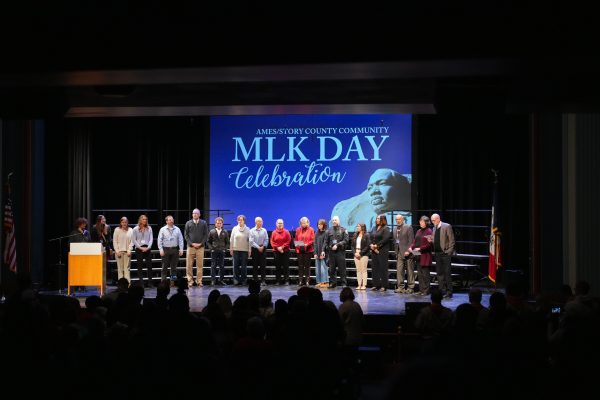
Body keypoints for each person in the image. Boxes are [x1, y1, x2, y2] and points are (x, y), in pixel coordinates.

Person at [331, 168, 411, 231]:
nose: (373, 192)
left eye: (382, 183)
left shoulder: (410, 220)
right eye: (370, 188)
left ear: (399, 187)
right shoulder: (370, 222)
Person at [430, 213, 455, 299]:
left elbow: (452, 240)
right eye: (432, 221)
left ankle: (449, 291)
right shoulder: (434, 228)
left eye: (433, 220)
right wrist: (431, 240)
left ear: (438, 219)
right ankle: (442, 290)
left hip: (445, 254)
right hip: (437, 253)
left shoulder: (446, 226)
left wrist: (449, 252)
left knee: (447, 273)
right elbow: (436, 240)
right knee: (439, 273)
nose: (432, 222)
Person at [184, 208, 209, 288]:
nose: (195, 214)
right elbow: (186, 235)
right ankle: (190, 281)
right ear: (192, 214)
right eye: (193, 213)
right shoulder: (188, 223)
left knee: (200, 265)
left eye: (196, 213)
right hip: (190, 247)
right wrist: (192, 244)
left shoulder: (203, 223)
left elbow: (206, 235)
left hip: (200, 247)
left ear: (199, 215)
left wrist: (201, 243)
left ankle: (199, 281)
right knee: (189, 265)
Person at [157, 215, 184, 287]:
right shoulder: (162, 229)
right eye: (169, 220)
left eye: (172, 219)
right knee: (164, 268)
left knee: (174, 268)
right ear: (166, 221)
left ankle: (173, 283)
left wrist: (181, 249)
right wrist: (160, 249)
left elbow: (181, 240)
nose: (171, 221)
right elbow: (159, 240)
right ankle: (163, 283)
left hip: (175, 250)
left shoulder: (177, 229)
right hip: (165, 249)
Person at [410, 215, 433, 296]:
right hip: (418, 255)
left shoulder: (429, 231)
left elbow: (429, 245)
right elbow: (414, 241)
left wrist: (420, 248)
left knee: (425, 274)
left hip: (425, 255)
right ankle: (421, 289)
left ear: (426, 223)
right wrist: (411, 247)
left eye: (422, 222)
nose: (421, 223)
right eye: (420, 221)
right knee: (419, 273)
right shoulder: (418, 231)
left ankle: (426, 290)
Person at [369, 214, 392, 292]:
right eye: (376, 218)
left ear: (382, 219)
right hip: (374, 251)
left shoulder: (386, 228)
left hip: (382, 251)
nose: (377, 220)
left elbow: (386, 238)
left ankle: (384, 285)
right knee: (375, 268)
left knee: (383, 268)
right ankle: (376, 285)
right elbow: (370, 237)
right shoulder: (374, 228)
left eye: (378, 218)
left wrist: (377, 246)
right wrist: (371, 245)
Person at [394, 214, 415, 294]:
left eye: (399, 219)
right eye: (396, 219)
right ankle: (401, 287)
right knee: (399, 271)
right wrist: (396, 251)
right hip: (399, 252)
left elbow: (411, 241)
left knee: (410, 270)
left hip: (407, 252)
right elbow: (395, 241)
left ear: (402, 219)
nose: (397, 221)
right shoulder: (395, 228)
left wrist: (408, 251)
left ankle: (410, 287)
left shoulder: (408, 227)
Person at [326, 215, 349, 288]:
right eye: (333, 220)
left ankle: (344, 283)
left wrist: (338, 245)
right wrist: (329, 247)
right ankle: (333, 283)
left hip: (340, 252)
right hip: (331, 253)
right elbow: (326, 242)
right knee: (331, 269)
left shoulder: (343, 230)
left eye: (335, 220)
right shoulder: (328, 230)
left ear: (339, 221)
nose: (334, 221)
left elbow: (346, 240)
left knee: (342, 269)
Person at [132, 214, 154, 288]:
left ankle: (150, 283)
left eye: (146, 219)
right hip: (139, 249)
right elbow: (134, 240)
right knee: (140, 267)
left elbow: (151, 239)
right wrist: (140, 248)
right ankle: (141, 284)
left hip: (147, 248)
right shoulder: (135, 229)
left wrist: (148, 247)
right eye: (143, 219)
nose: (145, 220)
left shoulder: (149, 228)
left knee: (149, 266)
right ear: (140, 220)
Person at [90, 215, 113, 284]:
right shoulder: (94, 227)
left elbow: (109, 239)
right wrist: (99, 246)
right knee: (98, 265)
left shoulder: (108, 227)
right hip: (97, 249)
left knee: (106, 265)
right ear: (99, 220)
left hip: (106, 249)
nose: (104, 220)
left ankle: (104, 280)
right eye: (103, 219)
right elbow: (93, 239)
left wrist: (106, 234)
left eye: (104, 218)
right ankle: (97, 279)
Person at [207, 217, 229, 286]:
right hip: (214, 251)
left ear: (222, 224)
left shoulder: (225, 232)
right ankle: (213, 280)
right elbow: (208, 242)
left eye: (220, 223)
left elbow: (228, 242)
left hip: (222, 251)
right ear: (215, 224)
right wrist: (211, 249)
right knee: (213, 265)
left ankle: (221, 280)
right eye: (217, 223)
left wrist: (225, 249)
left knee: (221, 266)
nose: (219, 224)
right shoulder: (212, 231)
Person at [230, 215, 250, 285]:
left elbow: (249, 241)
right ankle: (236, 279)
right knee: (235, 265)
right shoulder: (234, 228)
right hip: (236, 249)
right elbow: (231, 239)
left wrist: (249, 250)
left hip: (244, 250)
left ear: (244, 221)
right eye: (239, 220)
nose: (240, 221)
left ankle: (244, 279)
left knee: (244, 266)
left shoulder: (248, 229)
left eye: (241, 220)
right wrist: (231, 248)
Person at [295, 217, 315, 286]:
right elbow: (296, 240)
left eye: (304, 223)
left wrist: (306, 245)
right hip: (300, 251)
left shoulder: (311, 229)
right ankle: (300, 280)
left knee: (307, 266)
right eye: (302, 223)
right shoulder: (298, 230)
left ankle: (307, 281)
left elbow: (312, 240)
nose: (303, 224)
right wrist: (300, 246)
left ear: (307, 223)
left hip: (308, 251)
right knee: (300, 266)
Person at [270, 219, 291, 285]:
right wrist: (278, 248)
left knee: (286, 266)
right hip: (276, 252)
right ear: (276, 224)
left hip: (285, 252)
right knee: (278, 266)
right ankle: (278, 281)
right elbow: (272, 242)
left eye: (281, 223)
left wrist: (282, 247)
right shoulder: (274, 232)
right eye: (279, 223)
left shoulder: (287, 232)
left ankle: (286, 280)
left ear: (283, 224)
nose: (280, 224)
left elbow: (288, 241)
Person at [249, 217, 269, 286]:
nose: (260, 223)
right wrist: (258, 247)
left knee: (263, 266)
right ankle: (256, 281)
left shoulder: (264, 230)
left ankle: (263, 280)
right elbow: (251, 241)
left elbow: (266, 239)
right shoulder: (252, 230)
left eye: (261, 221)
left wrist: (263, 246)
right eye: (258, 221)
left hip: (263, 249)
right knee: (255, 266)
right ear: (255, 222)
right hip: (255, 250)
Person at [113, 216, 133, 283]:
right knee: (120, 270)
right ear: (120, 223)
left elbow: (132, 241)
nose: (124, 223)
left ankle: (128, 284)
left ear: (127, 223)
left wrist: (129, 250)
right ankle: (121, 285)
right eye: (123, 222)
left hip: (127, 252)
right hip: (119, 253)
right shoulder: (117, 230)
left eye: (125, 222)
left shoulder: (130, 230)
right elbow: (115, 241)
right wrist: (117, 251)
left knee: (127, 269)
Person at [352, 223, 370, 290]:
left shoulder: (367, 235)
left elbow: (368, 246)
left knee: (363, 270)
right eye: (357, 226)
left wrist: (360, 253)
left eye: (358, 226)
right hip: (356, 253)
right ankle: (359, 284)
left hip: (364, 254)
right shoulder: (355, 235)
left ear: (362, 227)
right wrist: (355, 253)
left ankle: (364, 285)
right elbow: (352, 246)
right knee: (358, 270)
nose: (357, 227)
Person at [314, 219, 329, 288]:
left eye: (320, 224)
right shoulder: (317, 232)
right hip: (318, 252)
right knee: (318, 268)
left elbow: (325, 242)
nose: (319, 226)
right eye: (318, 224)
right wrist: (315, 253)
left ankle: (325, 282)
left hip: (324, 253)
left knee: (323, 268)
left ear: (324, 225)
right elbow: (315, 243)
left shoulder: (326, 232)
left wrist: (323, 251)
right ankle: (320, 282)